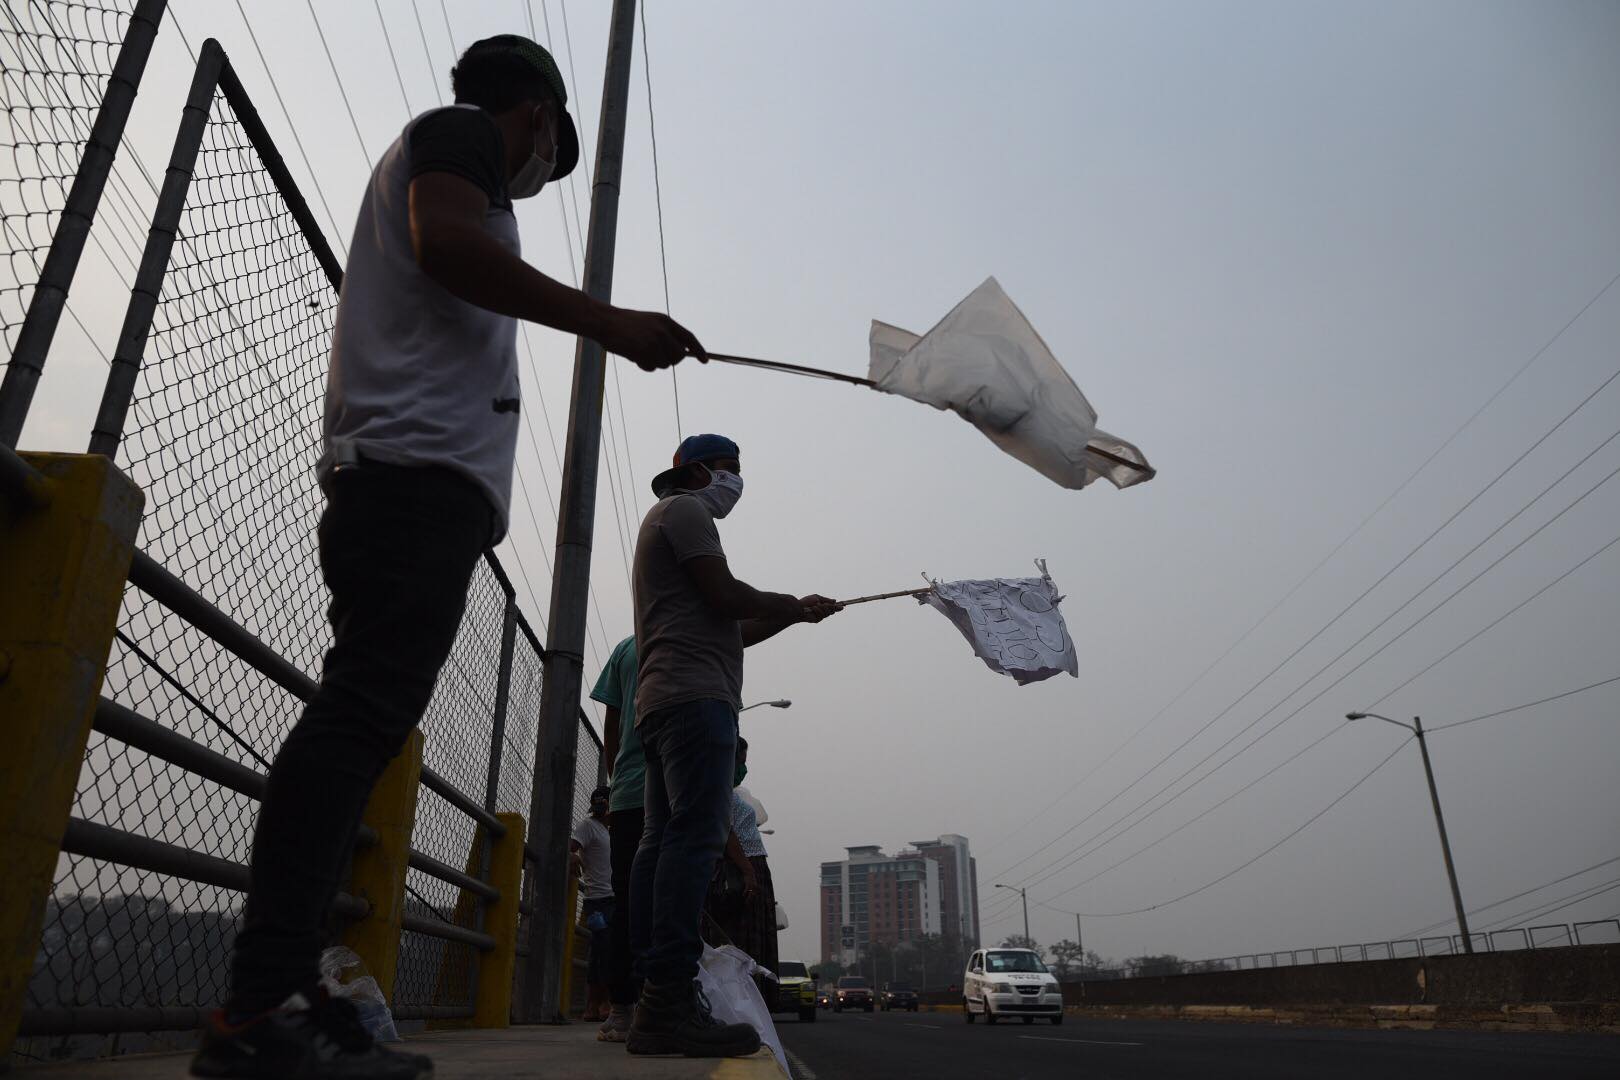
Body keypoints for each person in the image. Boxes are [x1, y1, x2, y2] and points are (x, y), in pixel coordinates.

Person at [192, 33, 704, 1080]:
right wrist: (609, 322)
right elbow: (449, 243)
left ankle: (293, 992)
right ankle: (258, 1006)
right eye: (547, 159)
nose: (536, 177)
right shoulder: (461, 138)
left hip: (423, 492)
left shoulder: (463, 153)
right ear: (539, 119)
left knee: (364, 723)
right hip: (410, 485)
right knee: (357, 718)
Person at [626, 434, 841, 1057]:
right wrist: (791, 602)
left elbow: (731, 627)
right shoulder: (686, 512)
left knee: (665, 843)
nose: (736, 482)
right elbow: (726, 596)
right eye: (730, 470)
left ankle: (656, 995)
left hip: (668, 701)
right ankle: (666, 1000)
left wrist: (793, 616)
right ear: (698, 471)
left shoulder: (665, 521)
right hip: (696, 703)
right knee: (693, 843)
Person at [589, 635, 644, 1042]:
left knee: (628, 901)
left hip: (628, 793)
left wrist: (616, 778)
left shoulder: (626, 648)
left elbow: (612, 722)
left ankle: (623, 1006)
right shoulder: (687, 628)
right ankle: (653, 1000)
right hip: (670, 793)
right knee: (670, 897)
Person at [706, 738, 778, 984]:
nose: (742, 768)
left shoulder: (729, 789)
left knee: (748, 939)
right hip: (738, 869)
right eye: (740, 761)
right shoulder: (717, 788)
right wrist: (747, 870)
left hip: (750, 865)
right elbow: (725, 830)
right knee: (738, 939)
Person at [570, 785, 614, 1022]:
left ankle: (601, 1002)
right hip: (597, 900)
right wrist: (573, 855)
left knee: (606, 951)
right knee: (601, 950)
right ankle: (596, 1003)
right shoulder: (588, 826)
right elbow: (572, 846)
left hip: (610, 898)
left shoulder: (609, 832)